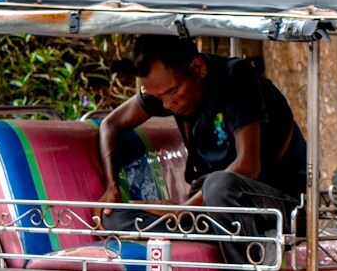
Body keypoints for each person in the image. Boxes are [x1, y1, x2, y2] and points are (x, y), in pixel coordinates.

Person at [97, 37, 308, 229]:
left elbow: (248, 166)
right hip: (209, 206)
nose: (168, 105)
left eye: (172, 92)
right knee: (114, 217)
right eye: (159, 98)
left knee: (219, 185)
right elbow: (110, 125)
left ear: (198, 67)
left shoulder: (236, 77)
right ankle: (199, 244)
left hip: (276, 203)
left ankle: (249, 268)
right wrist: (112, 187)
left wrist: (184, 209)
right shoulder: (166, 88)